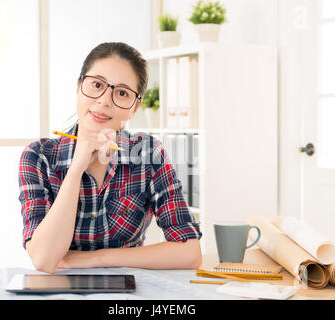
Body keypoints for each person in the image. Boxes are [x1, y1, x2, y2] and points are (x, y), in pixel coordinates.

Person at [18, 42, 202, 274]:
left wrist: (97, 258)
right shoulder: (38, 157)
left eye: (122, 93)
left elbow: (189, 251)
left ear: (135, 107)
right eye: (96, 84)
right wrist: (75, 170)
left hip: (126, 292)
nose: (105, 100)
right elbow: (44, 260)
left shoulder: (148, 153)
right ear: (78, 87)